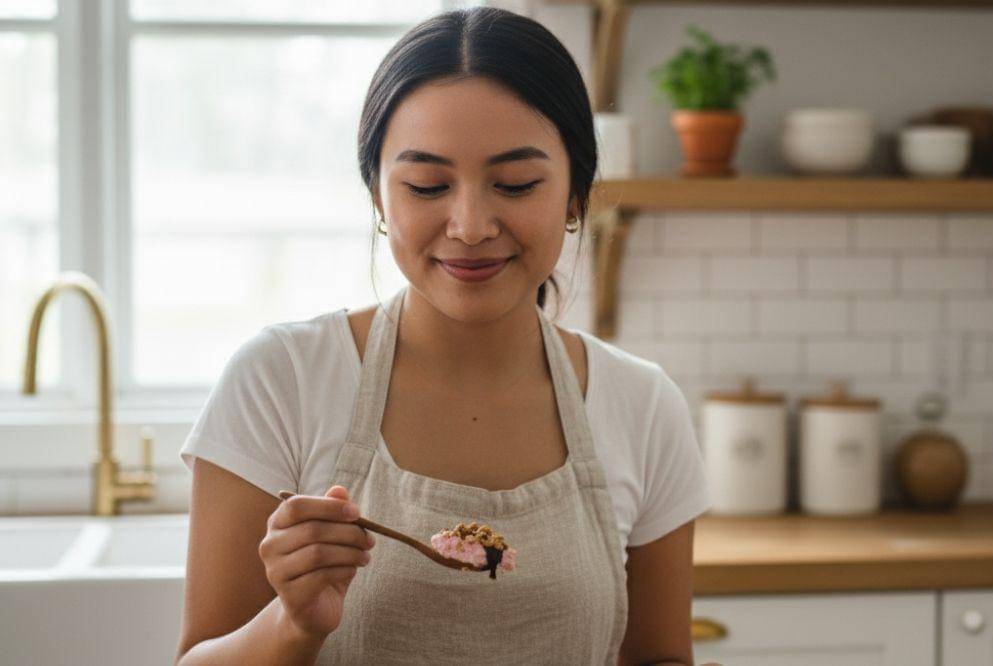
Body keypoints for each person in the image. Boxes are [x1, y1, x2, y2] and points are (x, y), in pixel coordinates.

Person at [175, 6, 713, 665]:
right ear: (378, 197)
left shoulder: (643, 404)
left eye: (516, 183)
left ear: (576, 196)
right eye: (427, 184)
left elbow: (659, 656)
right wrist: (292, 625)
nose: (469, 224)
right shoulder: (279, 379)